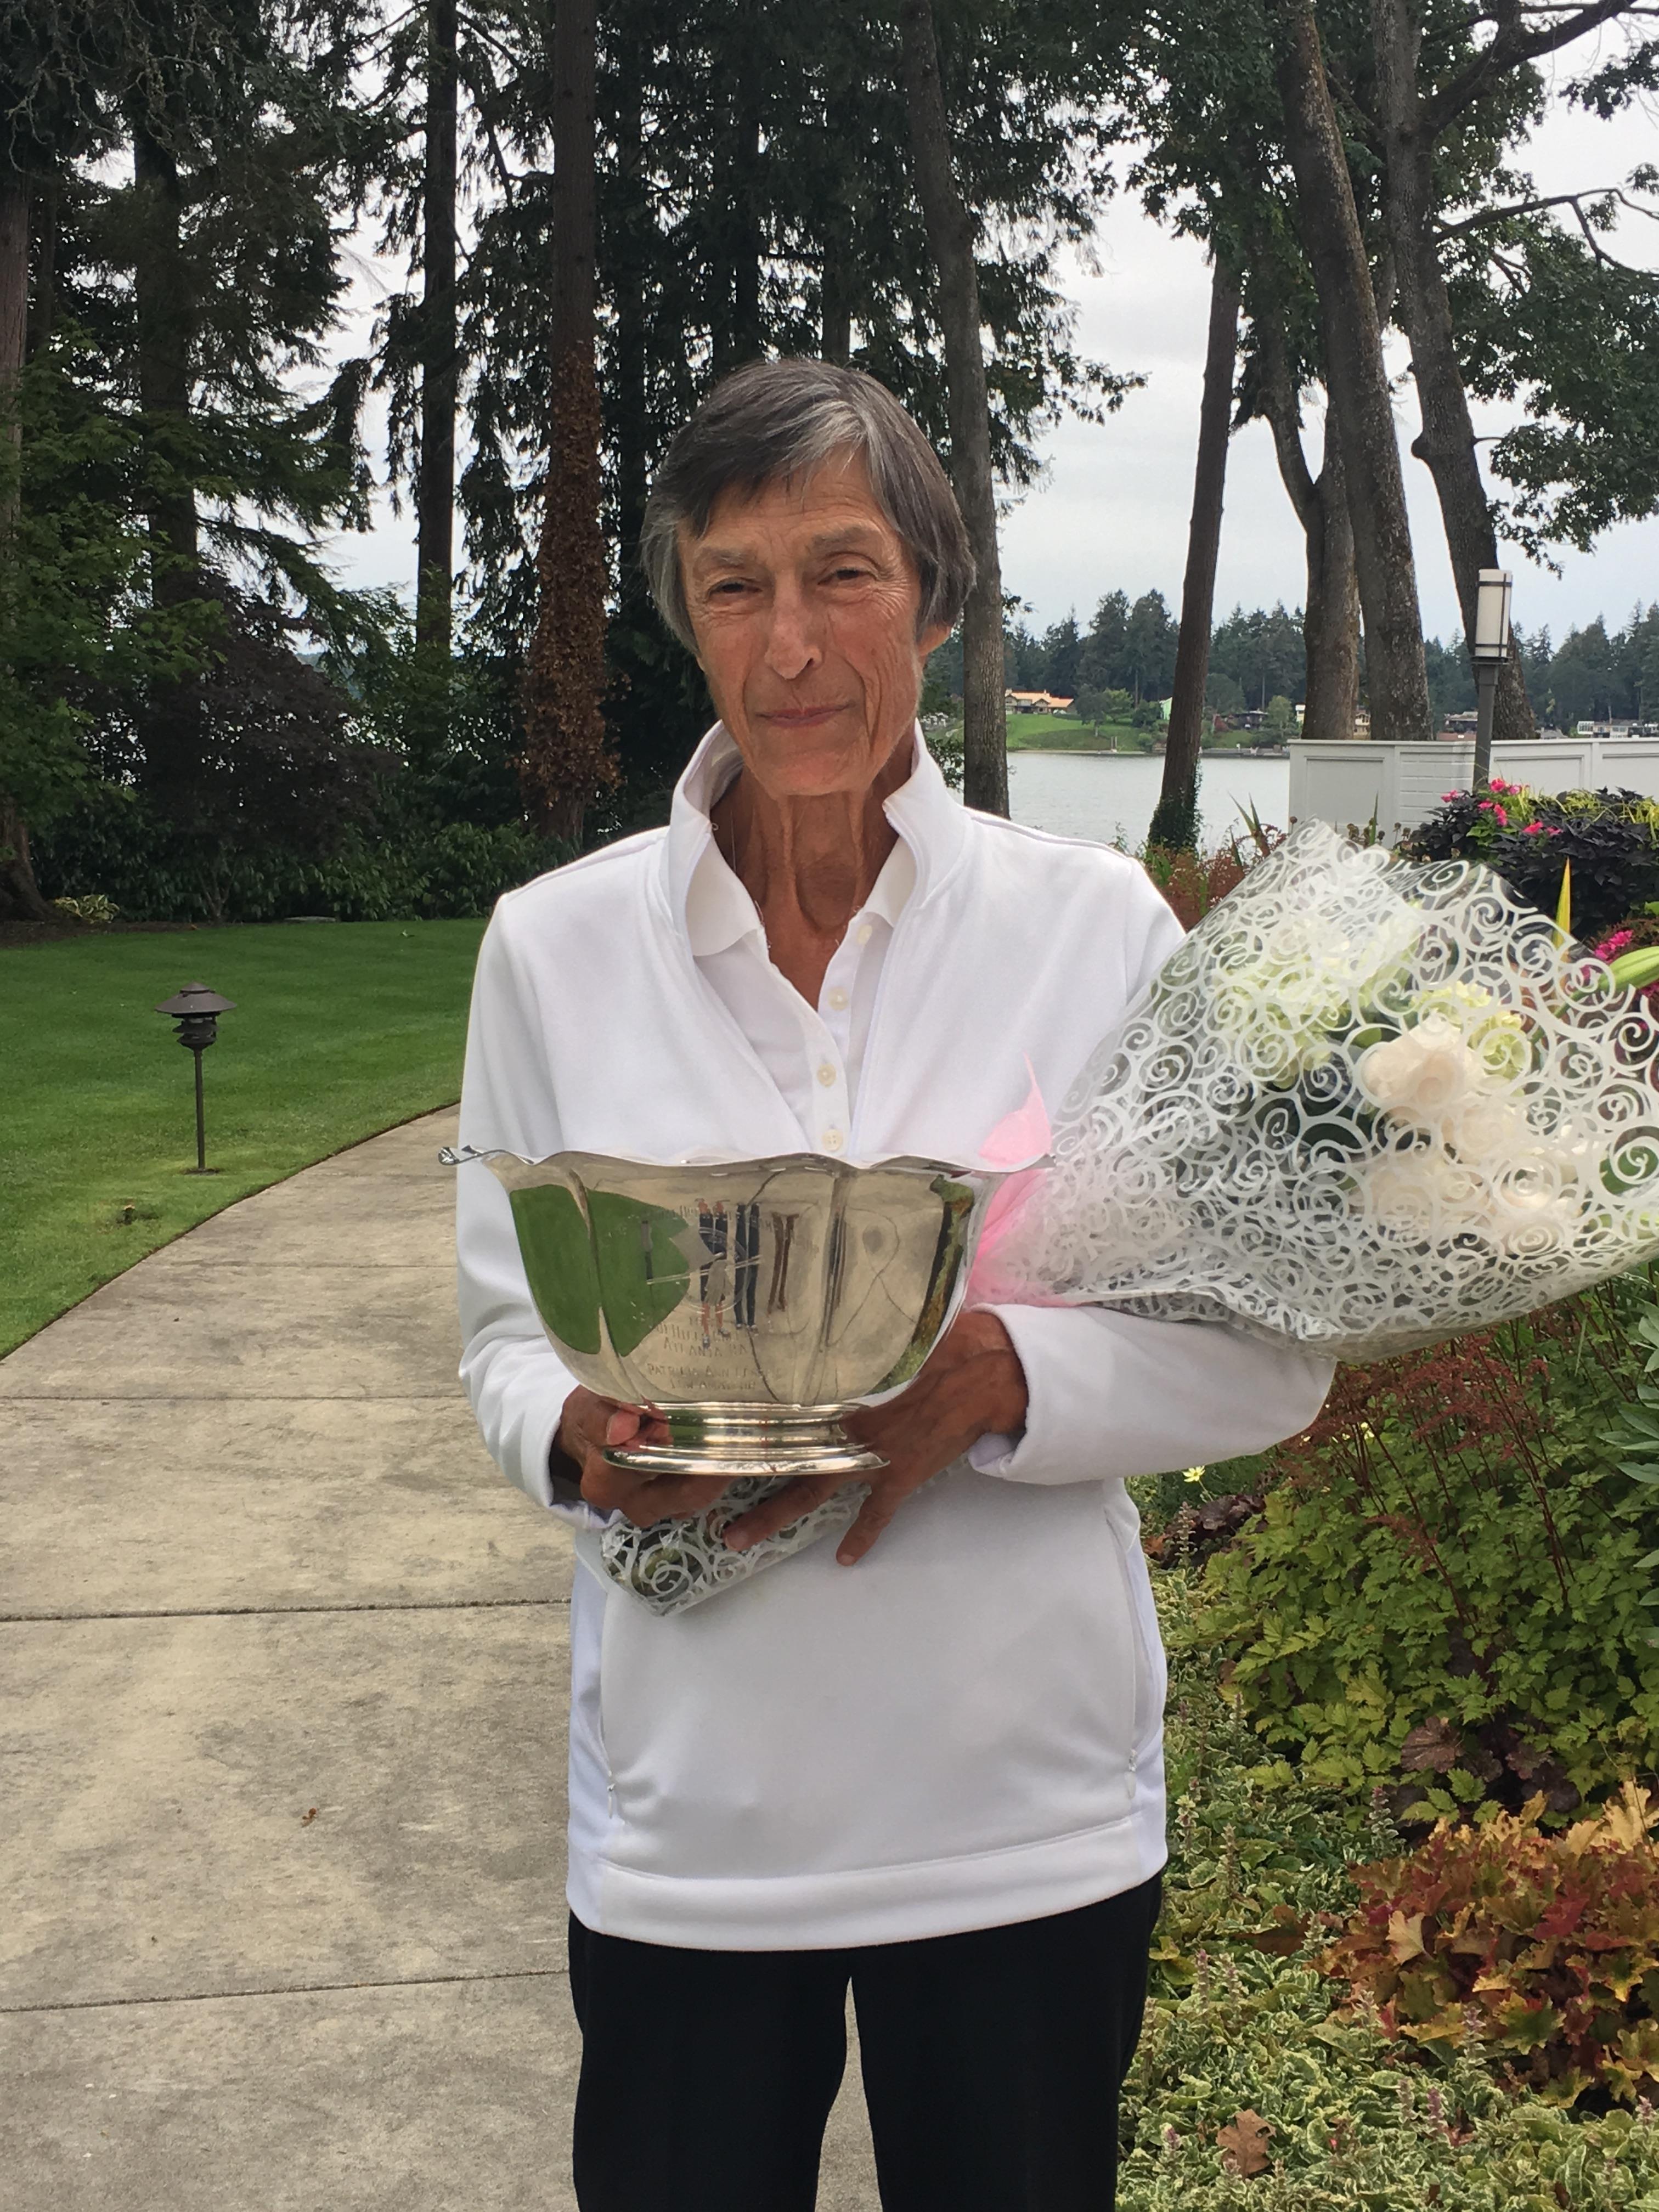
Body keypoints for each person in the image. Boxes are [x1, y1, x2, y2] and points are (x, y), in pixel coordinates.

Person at [455, 358, 1333, 2211]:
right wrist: (584, 1441)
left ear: (932, 599)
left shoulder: (1088, 932)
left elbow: (1268, 1358)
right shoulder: (553, 951)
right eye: (736, 585)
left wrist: (1003, 1381)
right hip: (695, 1827)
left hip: (1021, 1819)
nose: (793, 644)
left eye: (842, 573)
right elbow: (501, 1339)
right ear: (684, 617)